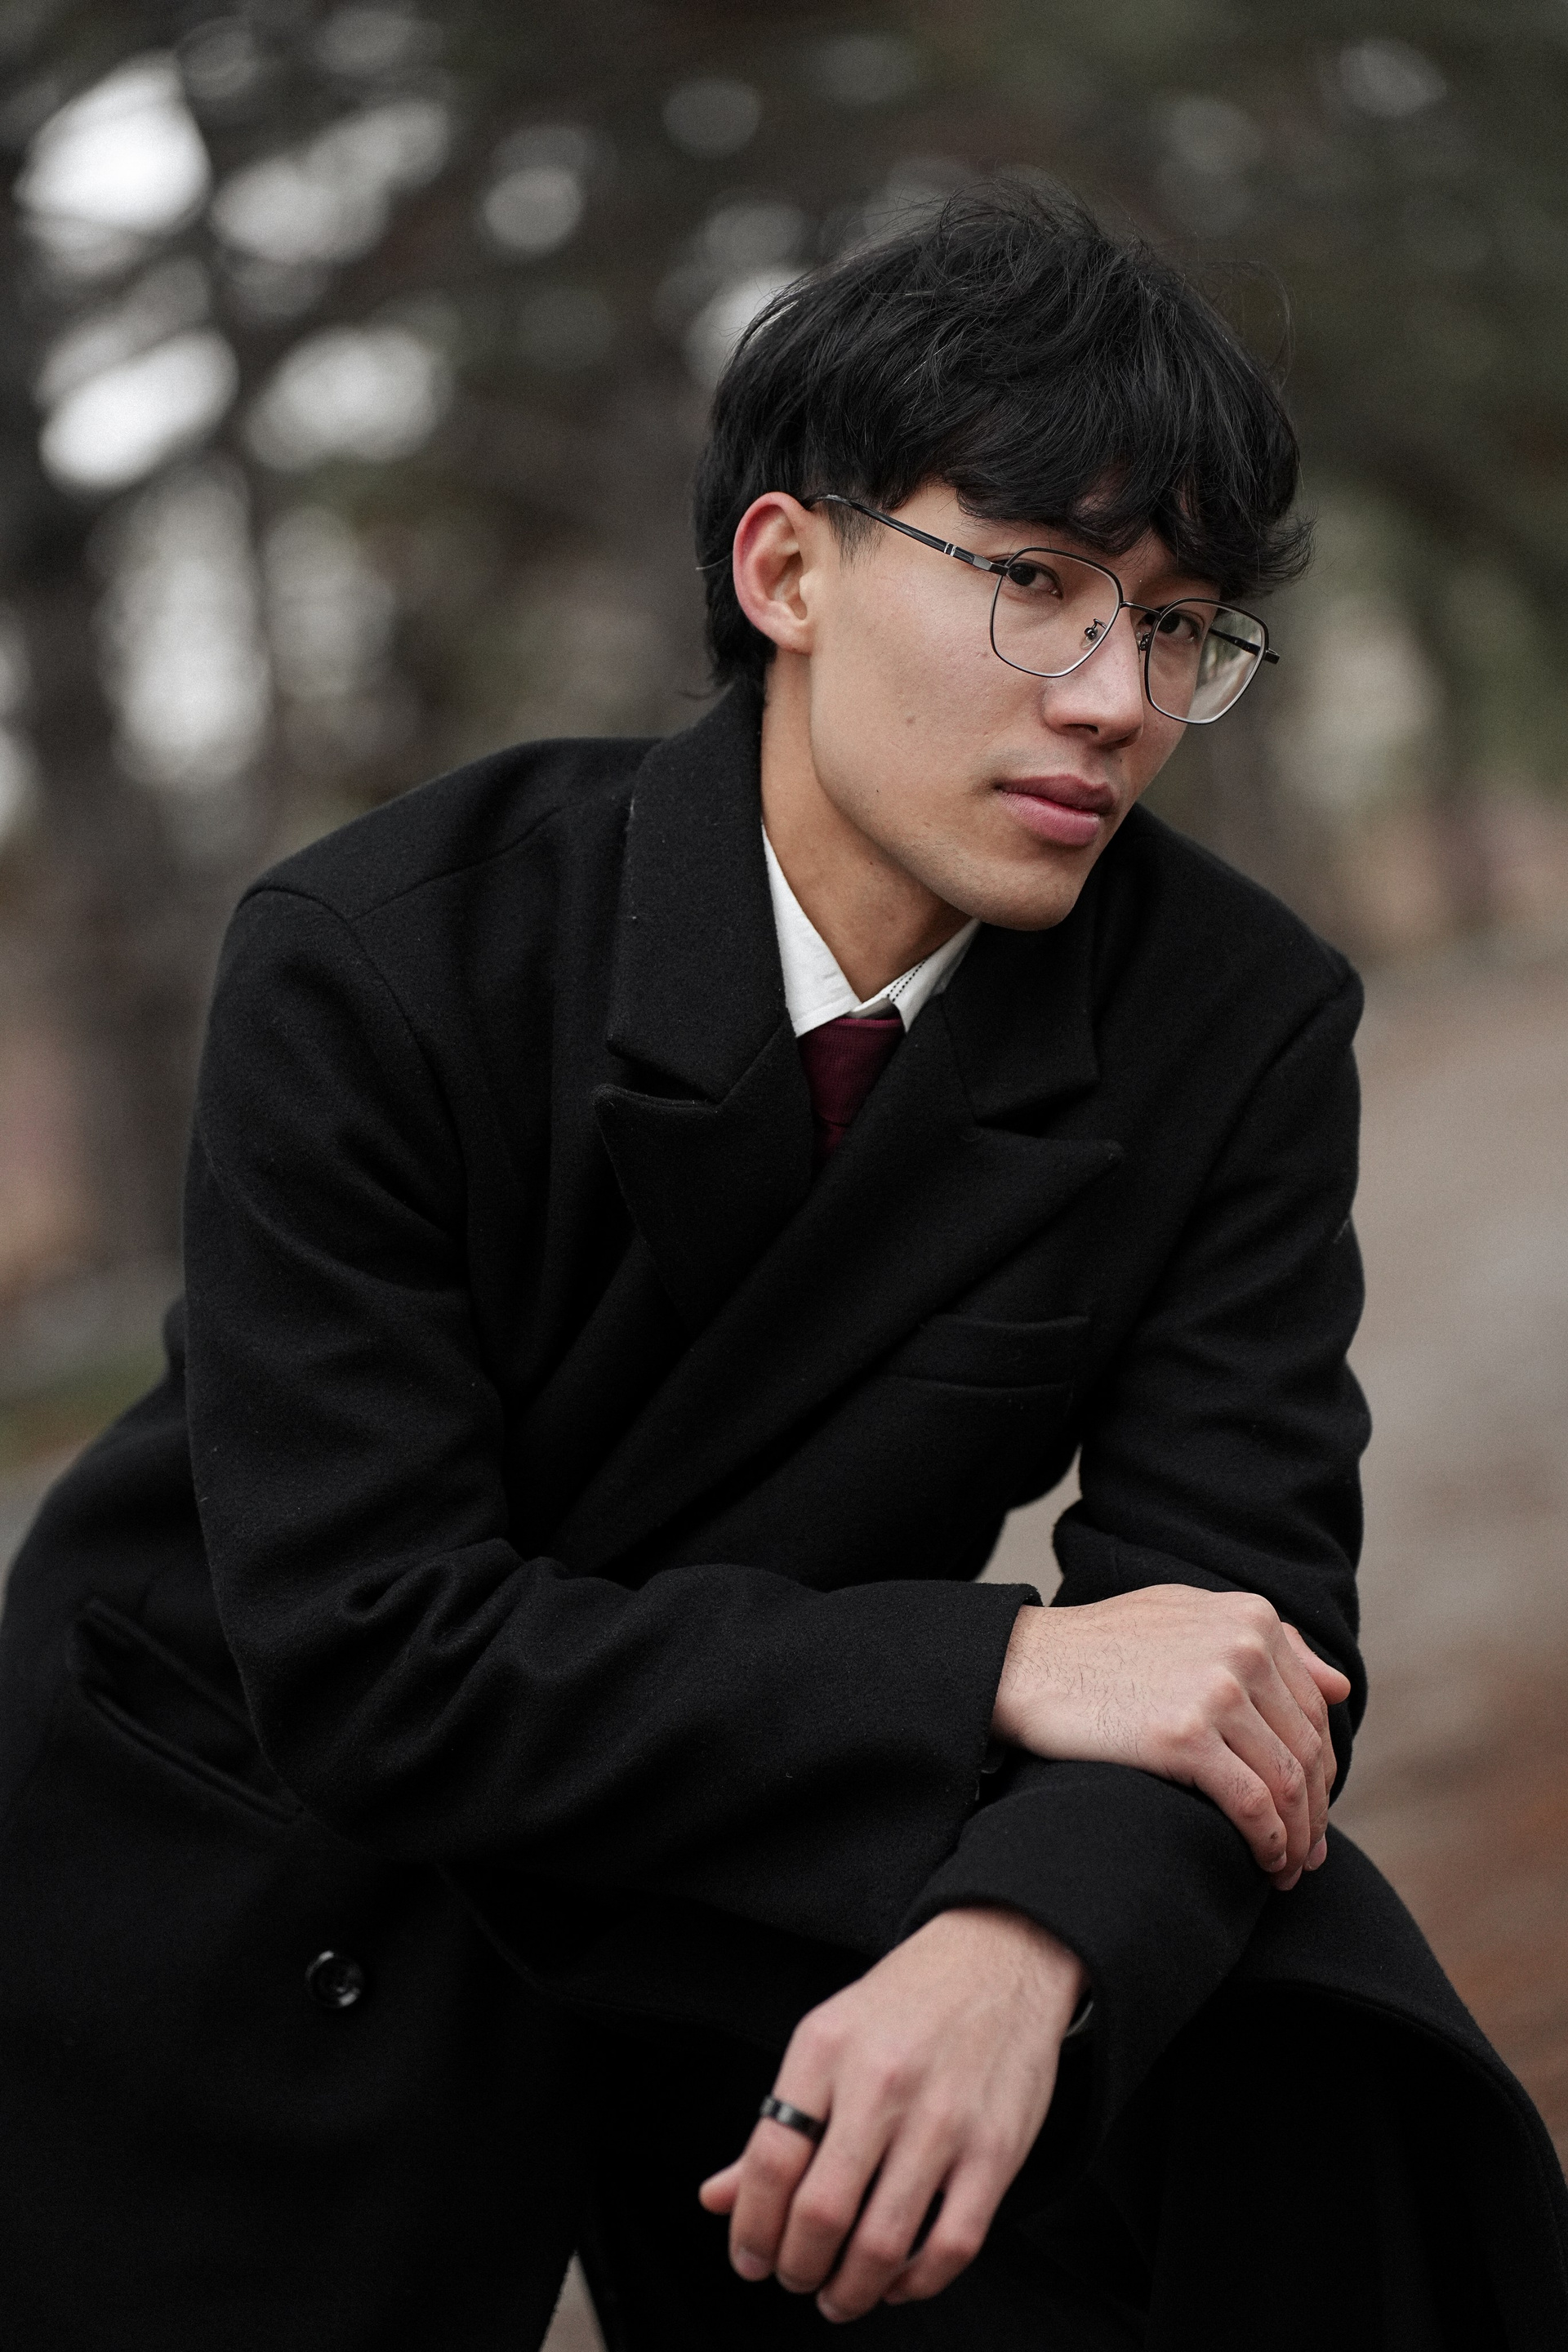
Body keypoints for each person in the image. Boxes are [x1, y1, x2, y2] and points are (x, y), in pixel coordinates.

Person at [0, 185, 1562, 2352]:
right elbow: (366, 1650)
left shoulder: (1234, 1022)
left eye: (1181, 623)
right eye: (1035, 583)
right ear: (787, 569)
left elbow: (1244, 1622)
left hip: (743, 1829)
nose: (1118, 698)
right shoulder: (385, 954)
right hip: (276, 1838)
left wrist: (1022, 1943)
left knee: (1280, 2035)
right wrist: (998, 1666)